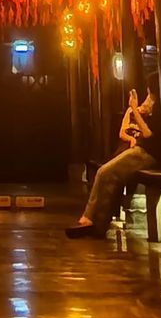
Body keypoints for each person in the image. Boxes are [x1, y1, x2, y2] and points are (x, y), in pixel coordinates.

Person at [66, 88, 156, 238]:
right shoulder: (143, 111)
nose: (147, 98)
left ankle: (91, 220)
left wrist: (134, 107)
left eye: (150, 94)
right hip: (137, 150)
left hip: (146, 153)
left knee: (104, 173)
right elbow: (124, 131)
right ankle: (95, 222)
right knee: (105, 173)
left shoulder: (158, 110)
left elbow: (147, 134)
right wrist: (134, 109)